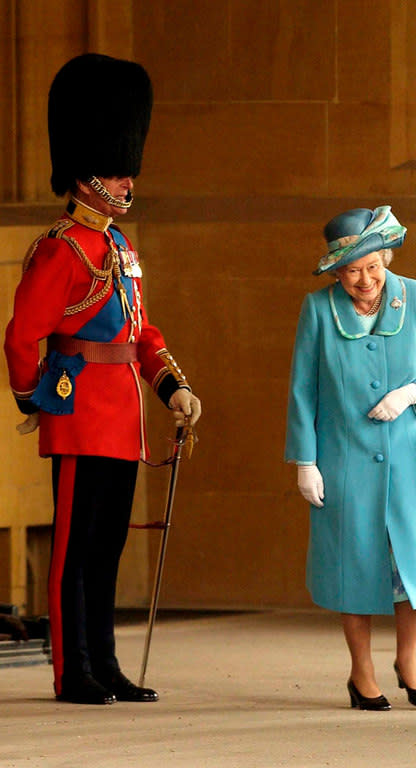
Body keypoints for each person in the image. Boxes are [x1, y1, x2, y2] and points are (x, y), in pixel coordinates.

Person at [4, 54, 201, 705]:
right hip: (77, 414)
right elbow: (21, 335)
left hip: (122, 421)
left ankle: (106, 663)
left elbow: (142, 335)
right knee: (72, 553)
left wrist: (173, 390)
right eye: (116, 170)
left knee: (107, 550)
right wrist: (33, 396)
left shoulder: (120, 250)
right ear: (86, 175)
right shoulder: (62, 249)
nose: (126, 180)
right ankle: (72, 669)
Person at [285, 206, 416, 710]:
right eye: (352, 270)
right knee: (353, 565)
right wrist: (305, 460)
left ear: (385, 257)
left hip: (408, 459)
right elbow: (303, 390)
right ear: (336, 271)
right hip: (343, 459)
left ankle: (408, 660)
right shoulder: (318, 310)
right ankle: (361, 673)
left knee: (412, 568)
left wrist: (410, 394)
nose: (365, 280)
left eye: (373, 266)